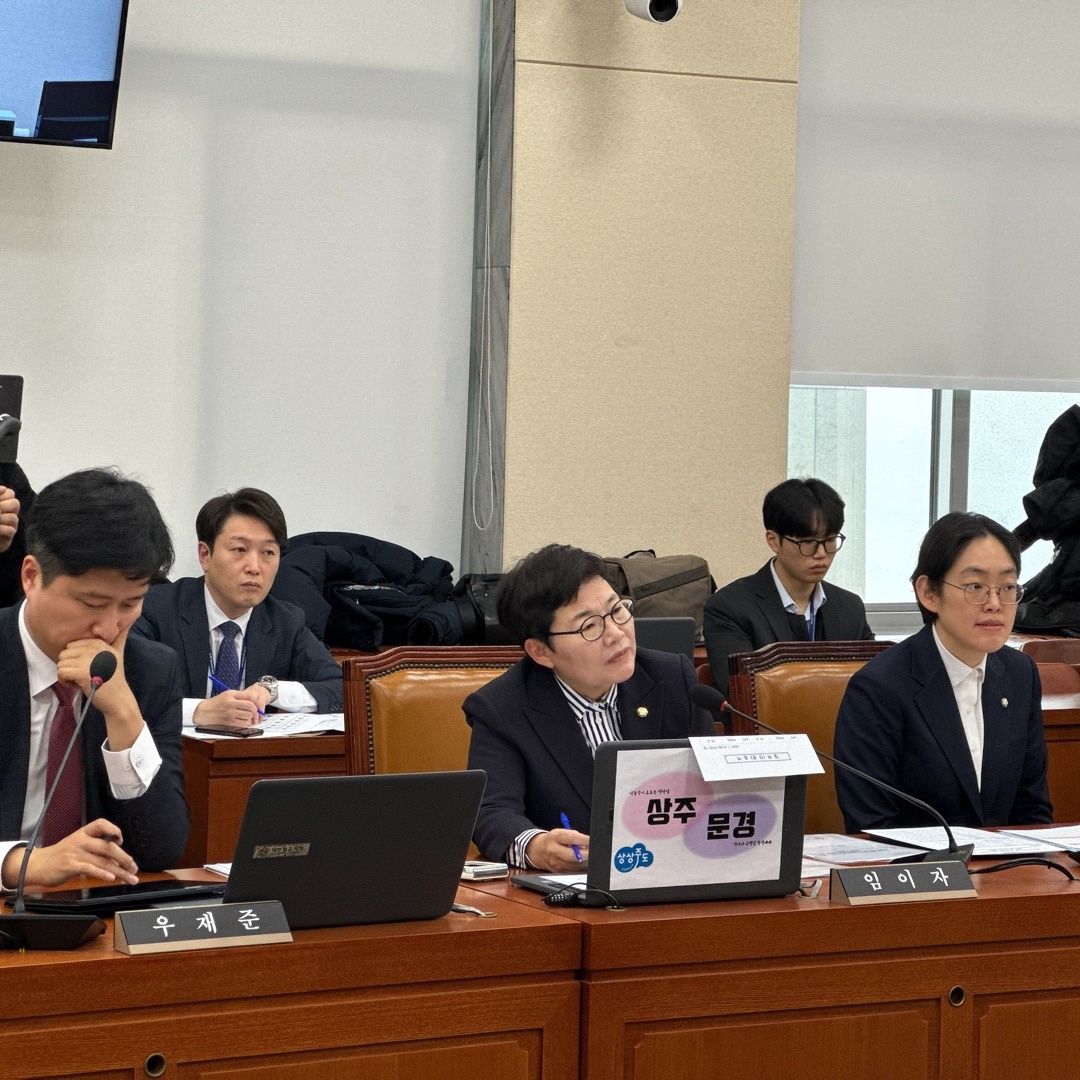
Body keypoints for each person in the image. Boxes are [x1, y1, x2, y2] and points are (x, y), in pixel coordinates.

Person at [464, 544, 715, 872]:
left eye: (617, 610)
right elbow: (491, 813)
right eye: (589, 627)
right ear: (541, 652)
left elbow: (714, 784)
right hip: (580, 886)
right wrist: (537, 846)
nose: (616, 634)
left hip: (675, 871)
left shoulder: (671, 678)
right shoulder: (502, 708)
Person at [0, 468, 189, 891]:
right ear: (31, 577)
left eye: (131, 604)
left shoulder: (150, 671)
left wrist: (123, 713)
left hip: (96, 911)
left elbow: (161, 849)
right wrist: (19, 864)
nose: (109, 628)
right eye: (92, 602)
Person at [833, 512, 1052, 832]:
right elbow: (872, 828)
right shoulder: (878, 688)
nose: (995, 603)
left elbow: (1032, 809)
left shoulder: (1020, 674)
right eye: (976, 586)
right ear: (929, 593)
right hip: (914, 864)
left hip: (1010, 863)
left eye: (1007, 586)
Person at [133, 487, 343, 729]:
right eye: (239, 550)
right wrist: (197, 711)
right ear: (205, 555)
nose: (254, 567)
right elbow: (124, 695)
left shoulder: (285, 622)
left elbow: (341, 689)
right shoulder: (154, 610)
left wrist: (272, 690)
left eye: (268, 552)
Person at [703, 478, 874, 695]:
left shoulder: (850, 607)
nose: (821, 554)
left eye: (830, 540)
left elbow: (873, 684)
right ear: (773, 541)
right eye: (808, 543)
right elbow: (742, 693)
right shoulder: (729, 608)